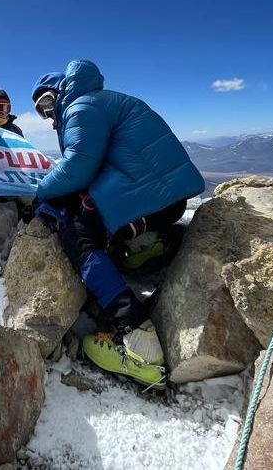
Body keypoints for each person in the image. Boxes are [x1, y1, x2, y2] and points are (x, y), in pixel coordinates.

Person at [30, 60, 204, 387]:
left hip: (151, 196)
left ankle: (138, 341)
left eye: (48, 101)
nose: (48, 113)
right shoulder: (103, 100)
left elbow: (79, 166)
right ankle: (144, 248)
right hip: (166, 199)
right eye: (41, 110)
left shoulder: (81, 107)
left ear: (62, 90)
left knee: (78, 236)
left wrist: (40, 191)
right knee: (89, 213)